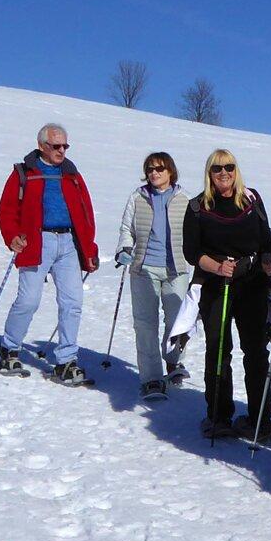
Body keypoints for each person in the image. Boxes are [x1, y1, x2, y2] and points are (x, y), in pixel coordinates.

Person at [182, 149, 271, 439]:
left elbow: (267, 238)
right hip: (216, 285)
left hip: (252, 283)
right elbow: (192, 252)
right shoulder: (198, 206)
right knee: (219, 350)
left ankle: (260, 418)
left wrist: (267, 260)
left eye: (229, 167)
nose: (224, 173)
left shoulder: (251, 199)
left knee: (256, 352)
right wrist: (217, 267)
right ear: (209, 173)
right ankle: (218, 416)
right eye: (217, 168)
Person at [0, 124, 99, 384]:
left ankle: (66, 361)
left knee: (72, 303)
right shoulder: (24, 173)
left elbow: (86, 213)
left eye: (65, 146)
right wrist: (12, 236)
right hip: (36, 241)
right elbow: (6, 211)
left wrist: (90, 248)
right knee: (29, 300)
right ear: (42, 146)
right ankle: (9, 347)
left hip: (68, 244)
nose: (61, 151)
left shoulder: (72, 175)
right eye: (56, 146)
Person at [114, 152, 188, 398]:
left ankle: (173, 361)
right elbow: (127, 228)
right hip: (144, 268)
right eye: (150, 169)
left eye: (159, 168)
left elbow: (193, 234)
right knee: (145, 324)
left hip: (176, 268)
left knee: (177, 321)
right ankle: (152, 378)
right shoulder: (138, 197)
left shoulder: (184, 199)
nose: (154, 173)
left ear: (170, 172)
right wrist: (124, 249)